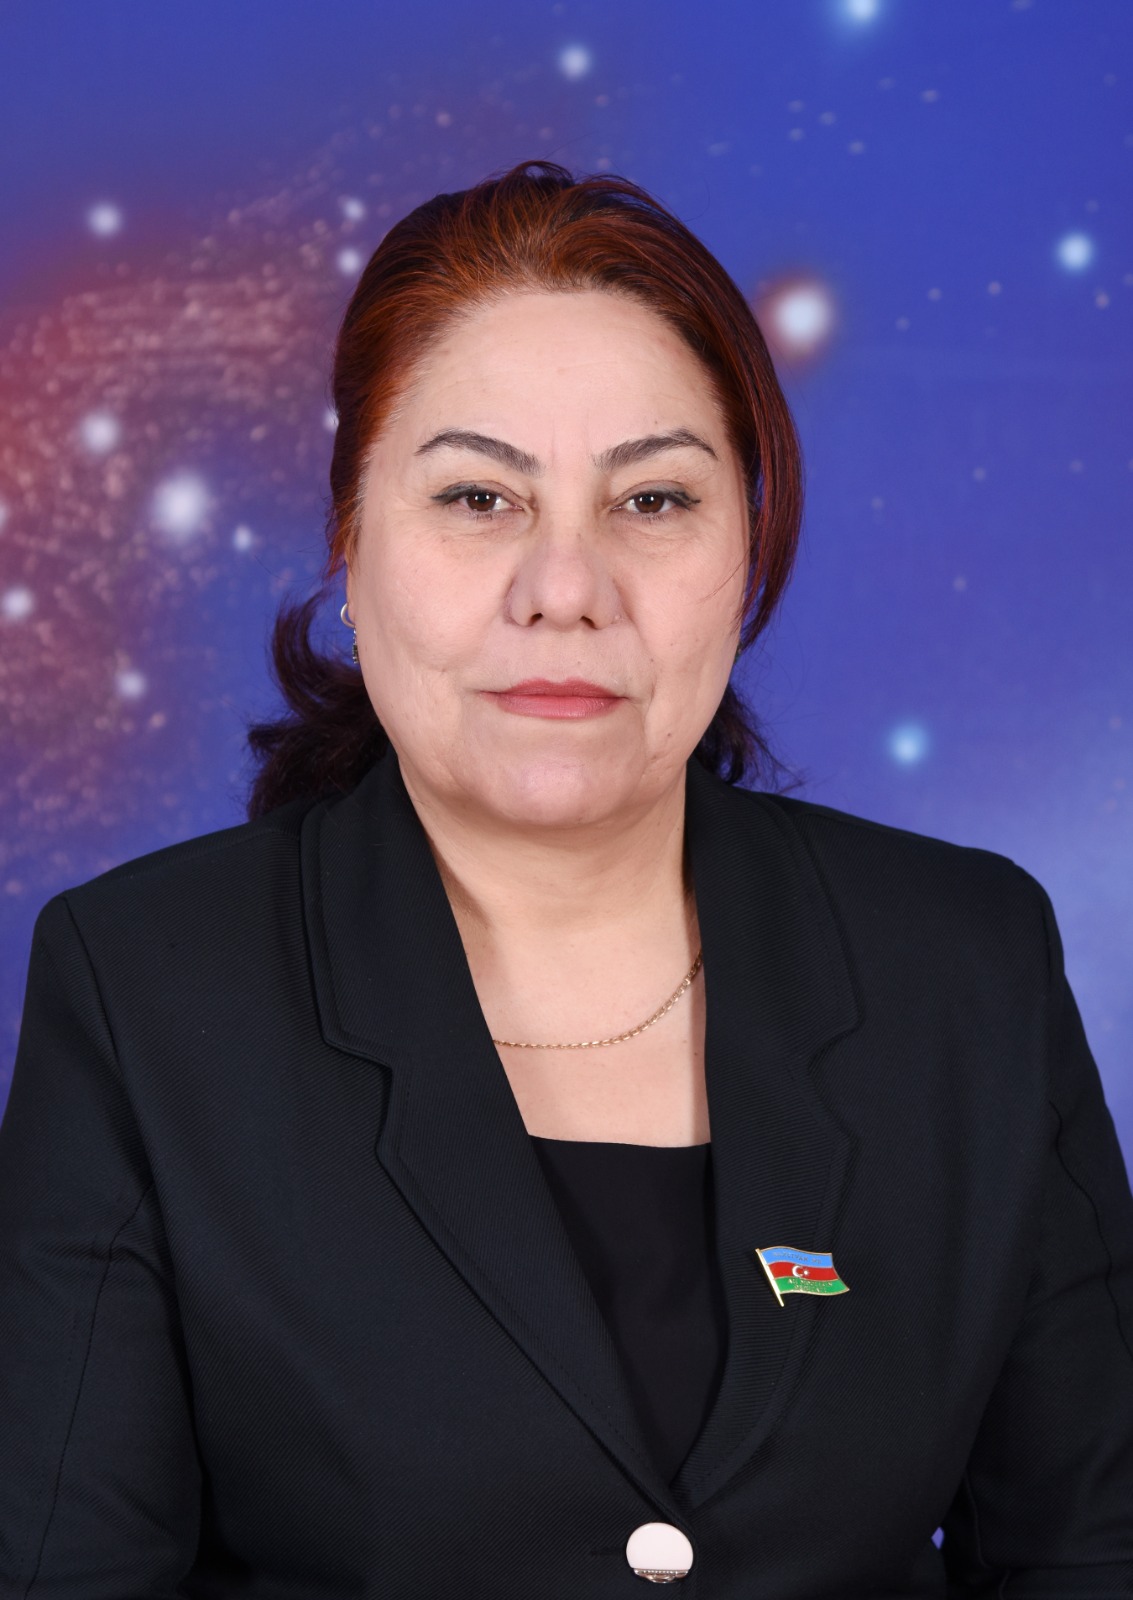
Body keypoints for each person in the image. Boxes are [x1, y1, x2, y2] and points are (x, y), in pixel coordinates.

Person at [1, 158, 1131, 1599]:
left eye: (652, 500)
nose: (565, 588)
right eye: (478, 497)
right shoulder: (148, 994)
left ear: (748, 550)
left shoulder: (963, 964)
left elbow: (1090, 1551)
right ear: (350, 541)